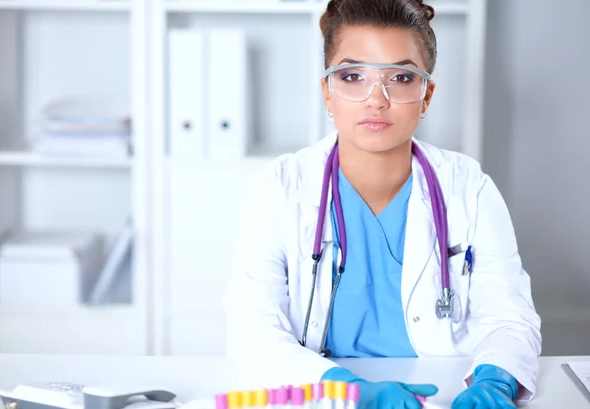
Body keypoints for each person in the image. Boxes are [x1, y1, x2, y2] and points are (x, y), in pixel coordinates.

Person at [224, 0, 541, 408]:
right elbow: (253, 329)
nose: (376, 99)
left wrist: (496, 380)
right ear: (327, 91)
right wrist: (344, 388)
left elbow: (509, 318)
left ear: (426, 95)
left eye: (402, 77)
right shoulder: (281, 187)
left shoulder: (469, 187)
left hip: (443, 395)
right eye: (353, 76)